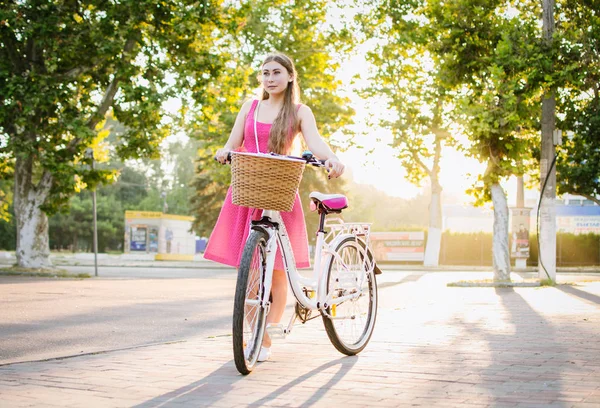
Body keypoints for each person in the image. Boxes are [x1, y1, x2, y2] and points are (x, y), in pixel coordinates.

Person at [204, 52, 344, 362]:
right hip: (248, 187)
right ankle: (259, 336)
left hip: (280, 191)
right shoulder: (250, 107)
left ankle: (266, 339)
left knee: (278, 273)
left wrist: (332, 158)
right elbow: (233, 142)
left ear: (290, 76)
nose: (270, 78)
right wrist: (224, 151)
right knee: (249, 273)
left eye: (276, 72)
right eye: (265, 72)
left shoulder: (299, 112)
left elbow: (315, 143)